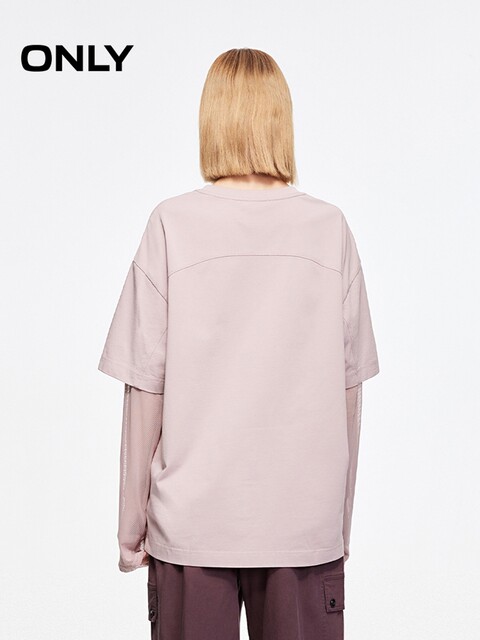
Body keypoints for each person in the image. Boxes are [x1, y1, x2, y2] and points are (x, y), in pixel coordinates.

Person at [98, 47, 380, 640]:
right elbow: (349, 392)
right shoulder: (329, 228)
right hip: (303, 523)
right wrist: (339, 522)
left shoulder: (172, 223)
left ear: (211, 118)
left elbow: (145, 388)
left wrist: (130, 526)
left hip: (192, 523)